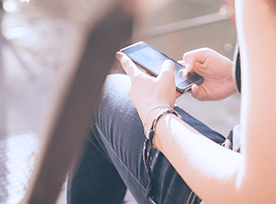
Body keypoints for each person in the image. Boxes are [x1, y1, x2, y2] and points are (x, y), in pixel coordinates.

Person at [67, 0, 276, 203]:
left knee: (100, 98)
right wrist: (240, 77)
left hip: (230, 189)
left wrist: (157, 116)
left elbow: (255, 192)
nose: (225, 8)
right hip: (243, 159)